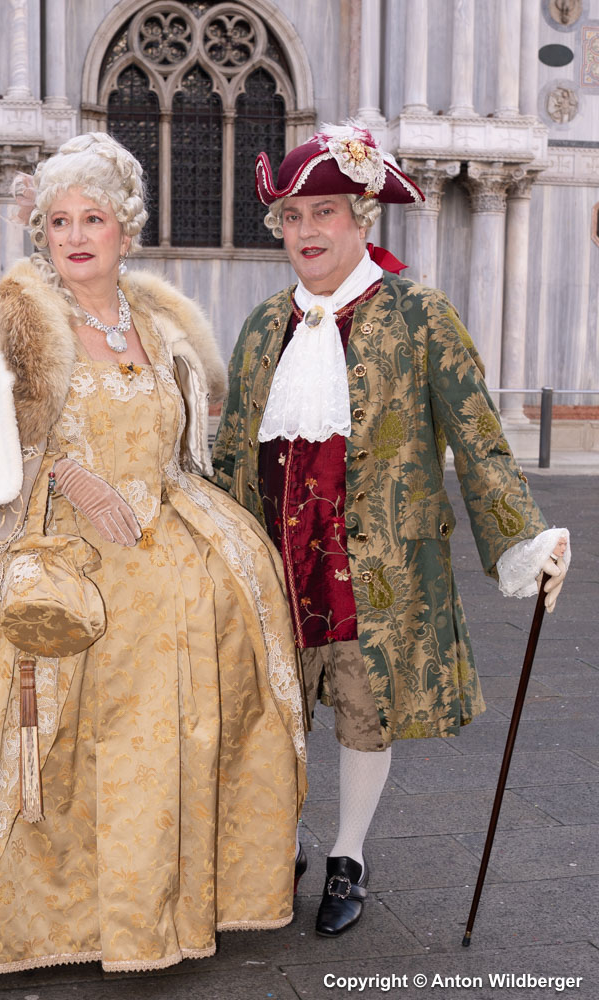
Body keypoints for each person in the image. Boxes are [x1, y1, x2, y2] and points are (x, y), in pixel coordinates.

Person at [0, 133, 307, 974]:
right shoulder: (16, 332)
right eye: (58, 221)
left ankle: (164, 910)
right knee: (70, 740)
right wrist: (67, 473)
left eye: (94, 218)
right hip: (68, 557)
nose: (76, 236)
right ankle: (65, 922)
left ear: (126, 228)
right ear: (40, 231)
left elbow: (182, 446)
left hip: (173, 550)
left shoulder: (160, 326)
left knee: (193, 725)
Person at [212, 122, 569, 939]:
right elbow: (232, 450)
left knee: (365, 710)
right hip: (274, 559)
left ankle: (348, 853)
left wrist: (526, 539)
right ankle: (283, 844)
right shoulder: (264, 324)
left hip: (376, 565)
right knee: (271, 708)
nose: (307, 230)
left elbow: (476, 435)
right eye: (293, 216)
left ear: (361, 218)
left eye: (325, 212)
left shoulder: (419, 314)